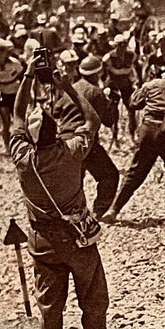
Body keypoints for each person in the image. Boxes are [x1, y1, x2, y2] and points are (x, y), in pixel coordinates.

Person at [8, 65, 120, 329]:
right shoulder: (71, 152)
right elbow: (93, 121)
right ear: (55, 131)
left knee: (49, 307)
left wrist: (29, 76)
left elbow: (17, 113)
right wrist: (69, 87)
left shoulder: (23, 158)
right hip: (78, 239)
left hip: (43, 241)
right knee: (94, 301)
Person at [102, 47, 165, 222]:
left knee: (135, 172)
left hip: (148, 132)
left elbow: (133, 102)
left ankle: (113, 210)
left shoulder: (152, 84)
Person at [63, 55, 122, 218]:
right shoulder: (95, 92)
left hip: (65, 140)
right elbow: (108, 121)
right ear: (98, 73)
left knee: (75, 181)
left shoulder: (71, 89)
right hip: (85, 141)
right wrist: (112, 103)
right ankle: (99, 212)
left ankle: (73, 213)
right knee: (109, 175)